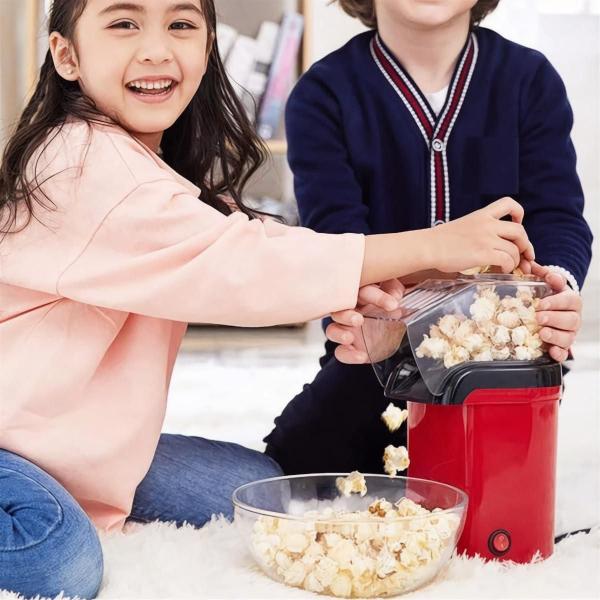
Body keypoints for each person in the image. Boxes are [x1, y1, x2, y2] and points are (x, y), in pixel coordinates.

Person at [0, 1, 535, 598]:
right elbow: (244, 266)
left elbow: (250, 243)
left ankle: (64, 481)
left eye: (180, 25)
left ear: (207, 49)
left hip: (54, 437)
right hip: (11, 433)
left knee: (256, 485)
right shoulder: (78, 161)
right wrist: (431, 245)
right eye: (124, 24)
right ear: (65, 56)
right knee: (54, 559)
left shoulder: (141, 162)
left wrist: (411, 272)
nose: (155, 48)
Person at [264, 0, 592, 474]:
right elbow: (337, 241)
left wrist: (557, 287)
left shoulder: (529, 79)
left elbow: (559, 216)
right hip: (375, 360)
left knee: (493, 504)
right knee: (290, 466)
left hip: (503, 361)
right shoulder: (323, 92)